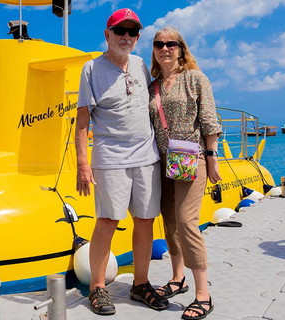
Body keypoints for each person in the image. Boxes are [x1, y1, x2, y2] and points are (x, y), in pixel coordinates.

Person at [75, 8, 169, 316]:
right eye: (119, 31)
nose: (125, 37)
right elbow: (82, 122)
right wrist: (83, 164)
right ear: (107, 35)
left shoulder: (141, 64)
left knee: (145, 220)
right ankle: (98, 287)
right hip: (110, 158)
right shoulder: (91, 69)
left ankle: (140, 284)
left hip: (147, 157)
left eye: (132, 33)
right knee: (108, 221)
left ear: (138, 37)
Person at [148, 26, 222, 320]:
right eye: (159, 44)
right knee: (169, 219)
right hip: (163, 160)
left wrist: (212, 158)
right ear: (153, 49)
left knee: (186, 220)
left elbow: (208, 119)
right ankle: (177, 278)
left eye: (171, 44)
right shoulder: (153, 85)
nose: (165, 48)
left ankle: (203, 293)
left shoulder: (195, 78)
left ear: (181, 48)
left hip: (192, 158)